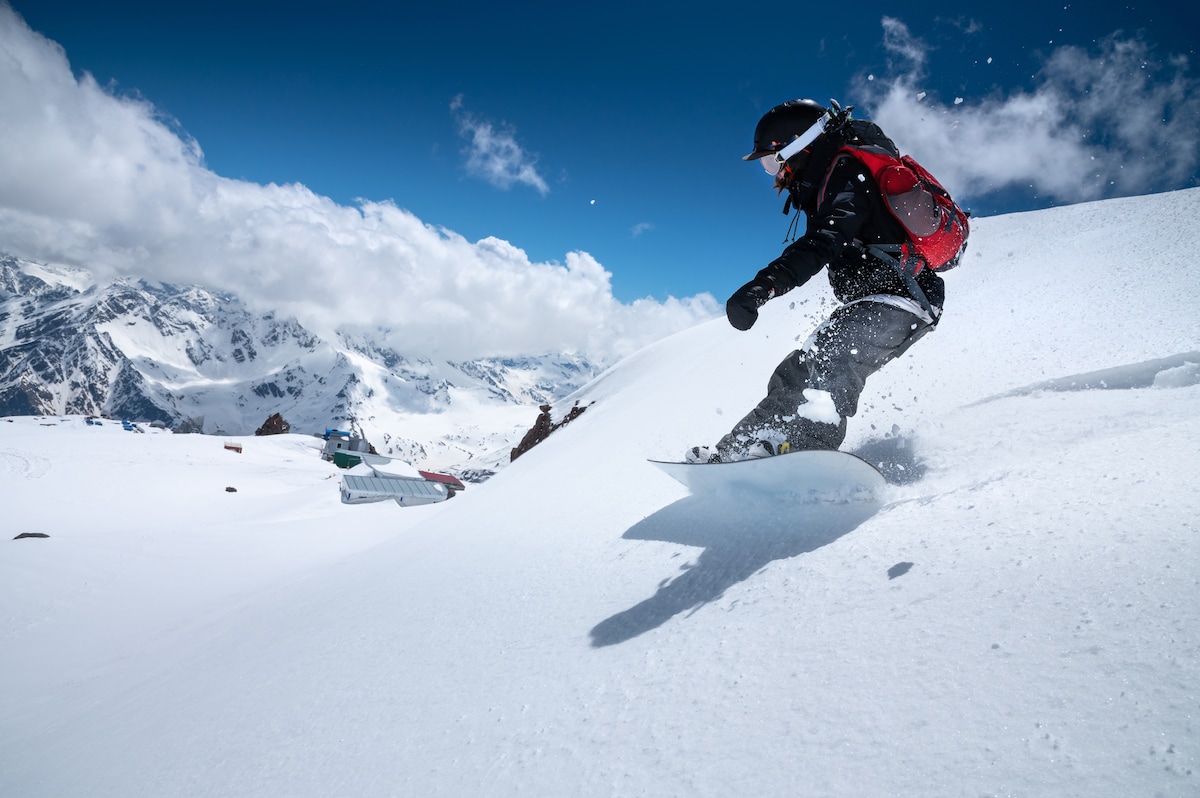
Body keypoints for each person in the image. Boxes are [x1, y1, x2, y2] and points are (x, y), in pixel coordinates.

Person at [687, 99, 946, 463]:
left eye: (771, 162)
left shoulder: (848, 175)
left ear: (797, 147)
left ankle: (808, 453)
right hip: (874, 301)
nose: (773, 174)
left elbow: (824, 241)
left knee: (835, 365)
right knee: (797, 371)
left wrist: (763, 286)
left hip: (904, 296)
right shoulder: (829, 180)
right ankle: (738, 451)